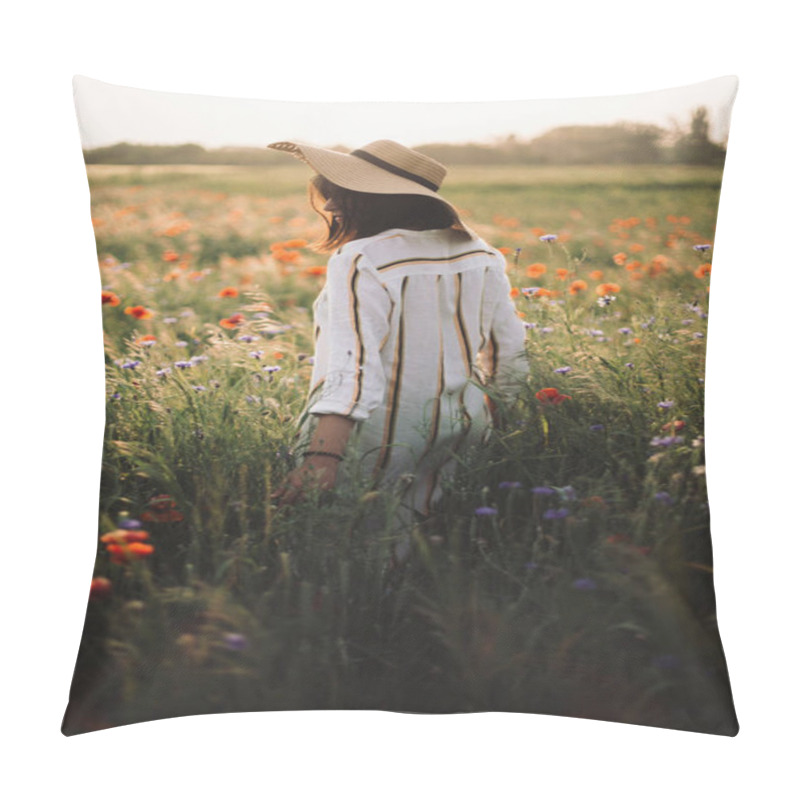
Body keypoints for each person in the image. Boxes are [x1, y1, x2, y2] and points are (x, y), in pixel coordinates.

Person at [267, 139, 529, 561]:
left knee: (345, 558)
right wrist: (504, 424)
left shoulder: (362, 258)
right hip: (463, 432)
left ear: (370, 199)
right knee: (430, 552)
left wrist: (322, 456)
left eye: (339, 193)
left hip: (372, 440)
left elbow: (352, 366)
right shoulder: (482, 254)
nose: (331, 207)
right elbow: (509, 355)